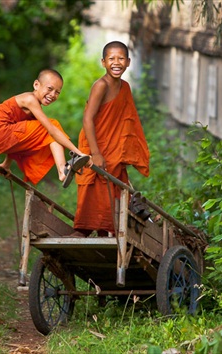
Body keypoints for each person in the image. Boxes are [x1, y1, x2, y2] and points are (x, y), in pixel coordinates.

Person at [73, 41, 150, 236]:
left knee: (113, 197)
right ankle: (83, 232)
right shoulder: (101, 85)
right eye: (111, 59)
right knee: (93, 196)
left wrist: (125, 150)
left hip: (114, 151)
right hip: (95, 146)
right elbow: (88, 119)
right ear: (103, 62)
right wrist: (96, 153)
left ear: (128, 62)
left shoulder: (124, 87)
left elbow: (126, 121)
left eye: (121, 58)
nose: (116, 62)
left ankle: (105, 236)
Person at [0, 69, 90, 187]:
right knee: (53, 126)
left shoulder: (32, 107)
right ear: (36, 85)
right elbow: (52, 130)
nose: (53, 95)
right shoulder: (30, 99)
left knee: (39, 135)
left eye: (57, 92)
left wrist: (6, 164)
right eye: (50, 89)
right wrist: (79, 153)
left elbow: (20, 138)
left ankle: (63, 170)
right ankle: (63, 169)